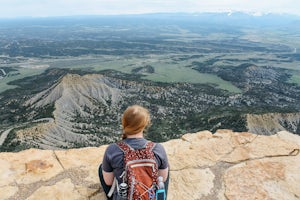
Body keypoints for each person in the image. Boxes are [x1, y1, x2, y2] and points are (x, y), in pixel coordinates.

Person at [98, 105, 169, 199]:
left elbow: (109, 182)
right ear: (145, 124)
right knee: (165, 168)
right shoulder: (158, 149)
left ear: (124, 123)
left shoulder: (112, 150)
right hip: (149, 196)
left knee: (101, 168)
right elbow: (162, 178)